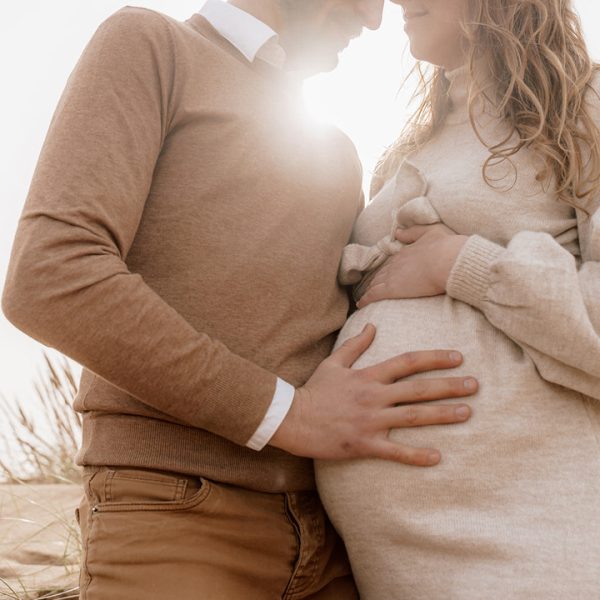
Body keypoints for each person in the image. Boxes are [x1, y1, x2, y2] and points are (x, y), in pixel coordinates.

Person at [1, 1, 479, 598]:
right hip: (178, 513)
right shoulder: (153, 45)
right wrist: (292, 415)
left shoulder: (336, 149)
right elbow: (51, 276)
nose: (375, 18)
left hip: (341, 540)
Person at [315, 0, 600, 597]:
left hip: (540, 533)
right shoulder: (404, 152)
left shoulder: (586, 106)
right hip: (395, 555)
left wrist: (462, 264)